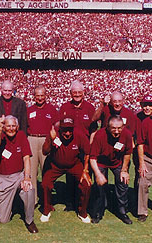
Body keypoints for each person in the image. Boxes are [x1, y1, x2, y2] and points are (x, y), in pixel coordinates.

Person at [0, 115, 38, 233]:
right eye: (8, 126)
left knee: (29, 189)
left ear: (17, 127)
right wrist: (0, 128)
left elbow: (26, 158)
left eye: (13, 126)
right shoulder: (0, 135)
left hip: (18, 175)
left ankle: (29, 221)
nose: (11, 128)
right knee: (3, 219)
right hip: (3, 178)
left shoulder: (21, 135)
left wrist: (27, 177)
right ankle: (10, 204)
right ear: (4, 126)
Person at [40, 118, 91, 223]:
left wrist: (85, 170)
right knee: (45, 184)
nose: (67, 133)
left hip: (74, 164)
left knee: (86, 184)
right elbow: (45, 152)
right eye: (65, 130)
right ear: (60, 129)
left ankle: (82, 212)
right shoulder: (54, 134)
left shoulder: (79, 134)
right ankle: (47, 209)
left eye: (70, 130)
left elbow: (87, 153)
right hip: (55, 165)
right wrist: (50, 139)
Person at [58, 80, 96, 211]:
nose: (77, 94)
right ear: (70, 93)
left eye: (79, 92)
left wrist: (90, 146)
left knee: (85, 174)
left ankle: (85, 201)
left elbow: (94, 129)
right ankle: (70, 203)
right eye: (74, 92)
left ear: (84, 93)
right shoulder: (65, 107)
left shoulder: (90, 107)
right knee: (70, 175)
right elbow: (59, 127)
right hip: (70, 145)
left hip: (85, 147)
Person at [90, 115, 133, 224]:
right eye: (113, 128)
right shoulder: (99, 135)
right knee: (99, 185)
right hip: (101, 162)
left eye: (119, 128)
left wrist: (124, 170)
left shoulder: (127, 134)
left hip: (117, 162)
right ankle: (99, 211)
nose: (117, 131)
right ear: (107, 127)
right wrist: (98, 174)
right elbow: (93, 157)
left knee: (123, 182)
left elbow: (127, 153)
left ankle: (122, 211)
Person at [26, 85, 59, 204]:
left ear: (46, 95)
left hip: (46, 140)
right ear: (34, 96)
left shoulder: (52, 109)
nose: (40, 98)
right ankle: (33, 200)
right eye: (37, 95)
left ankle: (47, 200)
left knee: (47, 171)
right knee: (32, 172)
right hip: (32, 139)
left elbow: (57, 126)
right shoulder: (29, 110)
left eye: (42, 95)